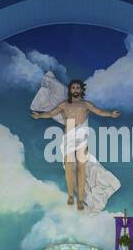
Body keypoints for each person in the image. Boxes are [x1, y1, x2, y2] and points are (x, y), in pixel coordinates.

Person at [31, 78, 120, 210]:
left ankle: (80, 199)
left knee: (81, 167)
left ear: (81, 90)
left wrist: (111, 114)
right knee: (69, 166)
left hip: (81, 136)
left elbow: (100, 112)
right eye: (73, 88)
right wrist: (39, 116)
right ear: (70, 90)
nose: (75, 90)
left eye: (78, 88)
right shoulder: (64, 105)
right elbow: (50, 113)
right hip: (69, 137)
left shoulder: (86, 105)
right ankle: (71, 195)